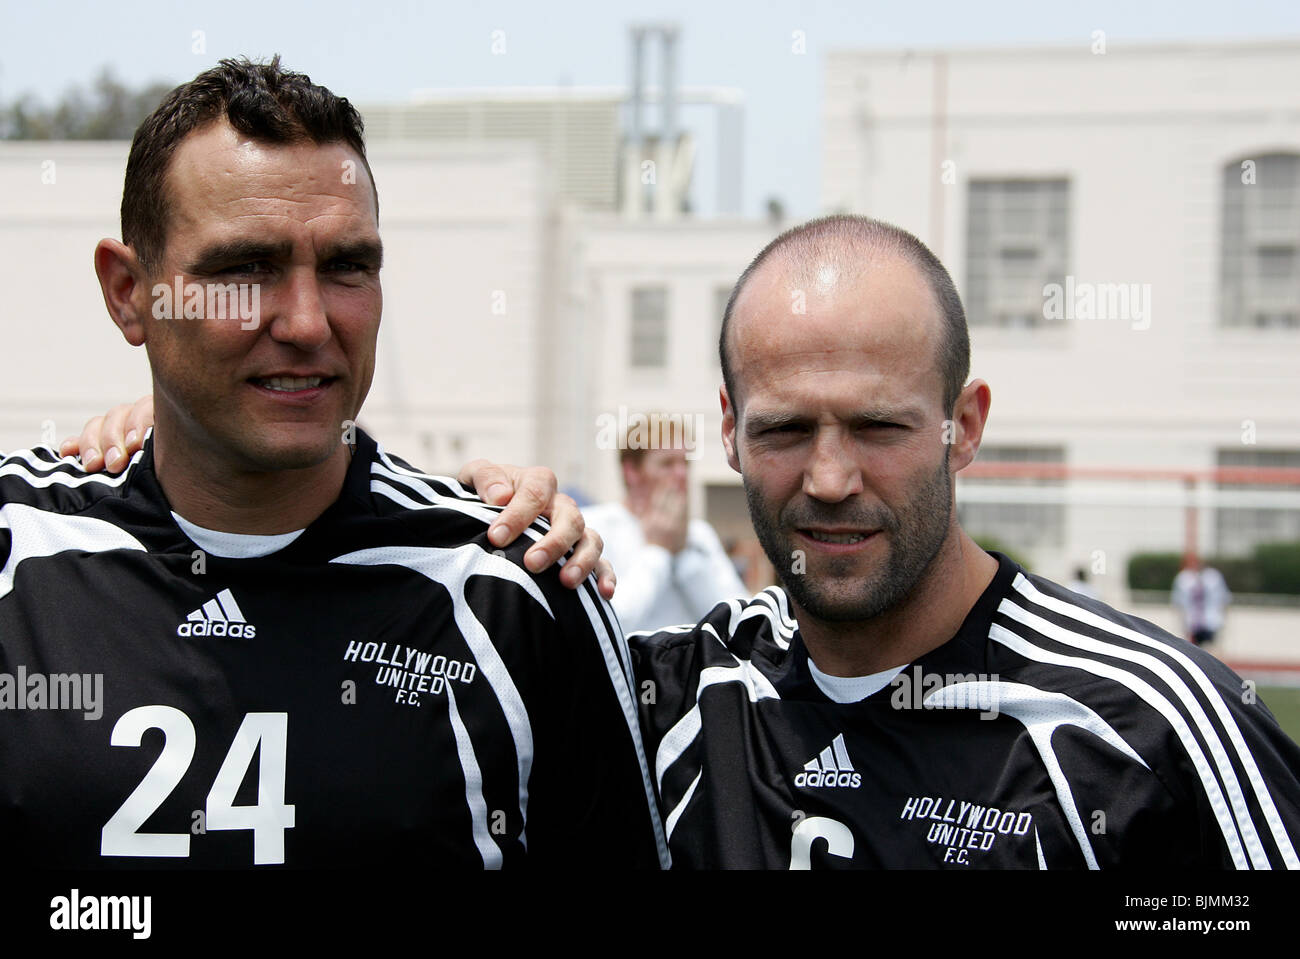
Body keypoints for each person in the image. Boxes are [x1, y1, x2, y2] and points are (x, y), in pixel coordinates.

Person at [78, 215, 1300, 869]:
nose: (828, 477)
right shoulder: (673, 697)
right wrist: (189, 439)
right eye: (784, 429)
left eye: (876, 425)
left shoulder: (1148, 725)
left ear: (963, 425)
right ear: (725, 430)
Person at [0, 57, 667, 869]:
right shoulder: (18, 558)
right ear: (128, 292)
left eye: (348, 266)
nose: (308, 322)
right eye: (246, 268)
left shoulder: (513, 591)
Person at [582, 432, 745, 632]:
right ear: (631, 471)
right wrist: (658, 551)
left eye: (685, 463)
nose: (681, 474)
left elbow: (739, 621)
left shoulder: (700, 534)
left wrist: (685, 555)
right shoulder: (593, 527)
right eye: (667, 464)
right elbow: (605, 626)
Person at [1172, 554, 1233, 646]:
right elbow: (1178, 601)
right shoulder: (1184, 578)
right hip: (1191, 622)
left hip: (1211, 620)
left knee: (1209, 649)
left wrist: (1224, 617)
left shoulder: (1214, 577)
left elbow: (1224, 598)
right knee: (1193, 649)